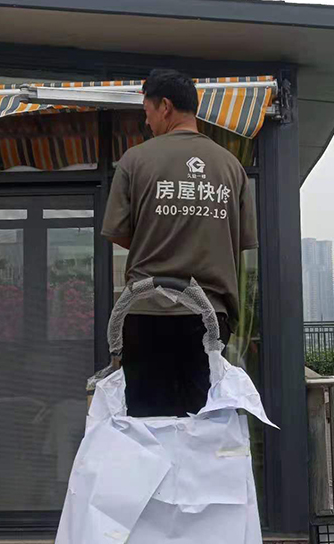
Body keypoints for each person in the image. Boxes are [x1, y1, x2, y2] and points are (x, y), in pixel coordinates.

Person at [101, 69, 258, 418]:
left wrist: (155, 241)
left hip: (145, 312)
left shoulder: (134, 160)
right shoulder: (232, 167)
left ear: (165, 106)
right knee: (203, 425)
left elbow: (118, 232)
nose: (146, 121)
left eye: (147, 111)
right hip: (209, 317)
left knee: (148, 427)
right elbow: (240, 240)